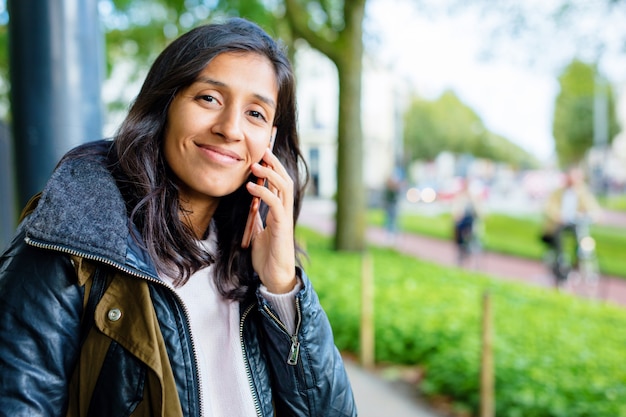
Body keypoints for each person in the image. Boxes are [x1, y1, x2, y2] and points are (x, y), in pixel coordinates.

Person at [0, 18, 356, 417]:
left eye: (255, 113)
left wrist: (282, 287)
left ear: (269, 140)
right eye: (209, 98)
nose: (229, 129)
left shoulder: (258, 268)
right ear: (165, 104)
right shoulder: (71, 237)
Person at [541, 166, 602, 283]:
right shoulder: (558, 192)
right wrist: (557, 215)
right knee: (558, 235)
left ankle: (578, 262)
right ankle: (561, 260)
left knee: (582, 238)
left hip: (574, 223)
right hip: (559, 223)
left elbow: (591, 204)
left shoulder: (582, 192)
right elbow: (549, 206)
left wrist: (596, 214)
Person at [451, 178, 483, 267]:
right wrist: (457, 216)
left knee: (472, 233)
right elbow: (456, 211)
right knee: (458, 228)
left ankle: (467, 248)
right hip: (462, 221)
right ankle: (461, 246)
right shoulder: (460, 197)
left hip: (471, 221)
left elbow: (479, 210)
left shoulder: (474, 197)